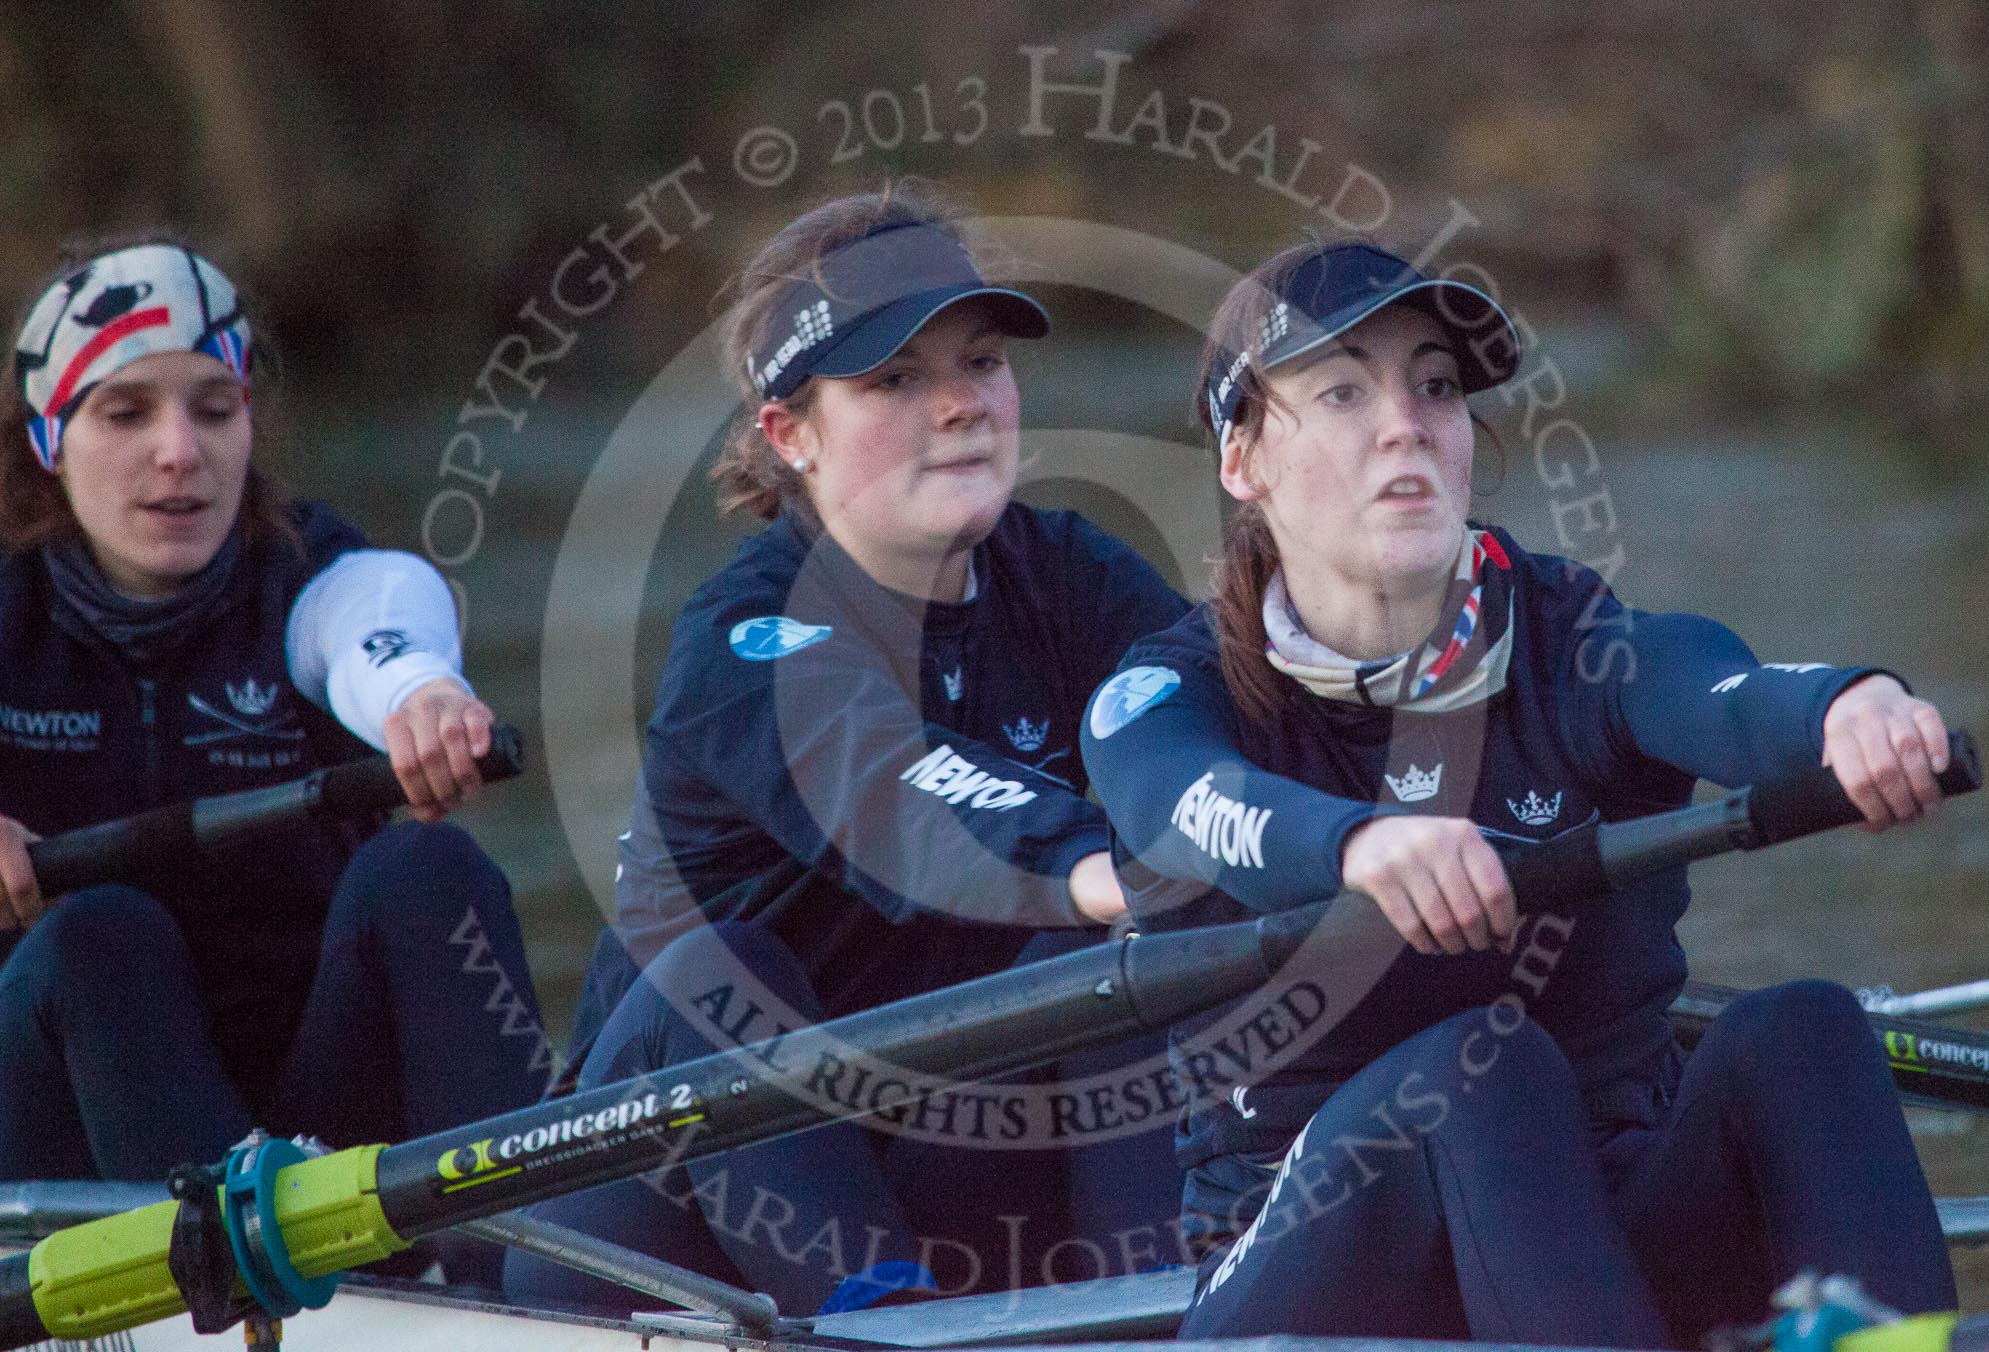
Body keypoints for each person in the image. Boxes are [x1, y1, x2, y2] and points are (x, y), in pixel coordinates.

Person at [1080, 238, 1959, 1347]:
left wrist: (1843, 707)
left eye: (1434, 384)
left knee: (1804, 1028)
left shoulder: (1562, 635)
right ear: (1242, 459)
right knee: (1480, 1063)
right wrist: (1359, 846)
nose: (1407, 421)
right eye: (1344, 388)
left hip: (1604, 1227)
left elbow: (1710, 685)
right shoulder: (1165, 694)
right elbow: (1183, 797)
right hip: (1307, 1265)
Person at [501, 184, 1190, 1317]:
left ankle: (1168, 1316)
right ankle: (900, 1327)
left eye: (981, 362)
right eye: (895, 380)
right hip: (647, 1222)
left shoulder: (1067, 573)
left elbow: (1224, 718)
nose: (962, 405)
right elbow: (898, 790)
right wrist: (1102, 862)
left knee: (1095, 971)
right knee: (720, 976)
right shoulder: (746, 638)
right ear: (791, 434)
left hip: (915, 1160)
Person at [0, 239, 550, 1202]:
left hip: (313, 1116)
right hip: (67, 1138)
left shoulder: (311, 580)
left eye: (215, 409)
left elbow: (381, 613)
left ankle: (525, 1268)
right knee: (98, 935)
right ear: (49, 440)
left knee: (428, 868)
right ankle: (231, 1276)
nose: (180, 451)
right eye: (126, 412)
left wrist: (420, 692)